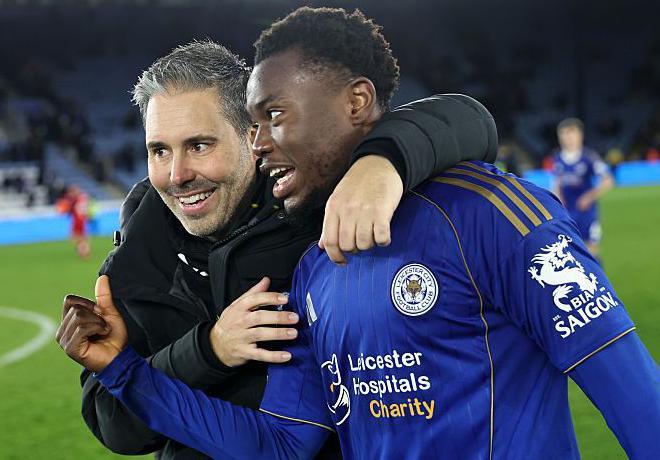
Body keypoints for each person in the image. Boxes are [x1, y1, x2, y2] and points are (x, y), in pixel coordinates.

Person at [58, 7, 659, 460]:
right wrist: (125, 370)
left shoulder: (489, 214)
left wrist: (382, 161)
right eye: (252, 122)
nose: (259, 140)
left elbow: (631, 391)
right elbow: (280, 444)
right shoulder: (313, 265)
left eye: (273, 117)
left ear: (356, 102)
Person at [61, 40, 498, 459]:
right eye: (159, 150)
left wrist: (381, 162)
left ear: (253, 136)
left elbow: (468, 119)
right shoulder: (139, 247)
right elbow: (115, 425)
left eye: (199, 145)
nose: (177, 175)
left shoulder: (311, 191)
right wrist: (209, 351)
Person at [551, 118, 615, 258]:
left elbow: (608, 180)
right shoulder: (557, 158)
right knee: (569, 251)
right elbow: (557, 182)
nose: (568, 139)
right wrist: (558, 198)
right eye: (564, 135)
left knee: (591, 251)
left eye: (571, 134)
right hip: (566, 212)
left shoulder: (589, 157)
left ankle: (598, 279)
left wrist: (589, 196)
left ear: (580, 136)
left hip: (586, 213)